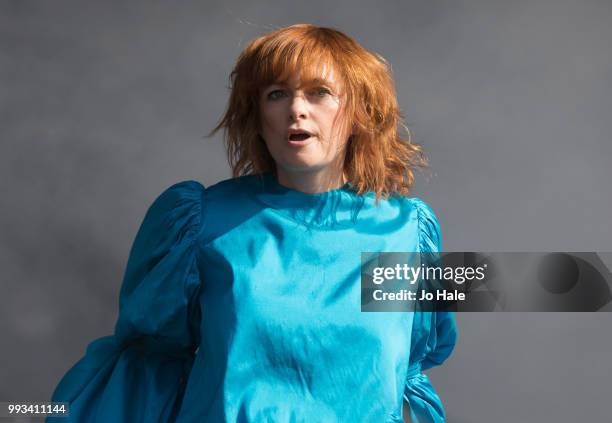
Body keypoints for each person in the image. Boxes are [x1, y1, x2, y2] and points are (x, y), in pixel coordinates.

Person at [48, 23, 457, 423]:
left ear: (359, 112)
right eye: (277, 94)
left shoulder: (405, 230)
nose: (297, 109)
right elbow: (147, 361)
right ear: (258, 117)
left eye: (320, 93)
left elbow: (408, 368)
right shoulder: (199, 222)